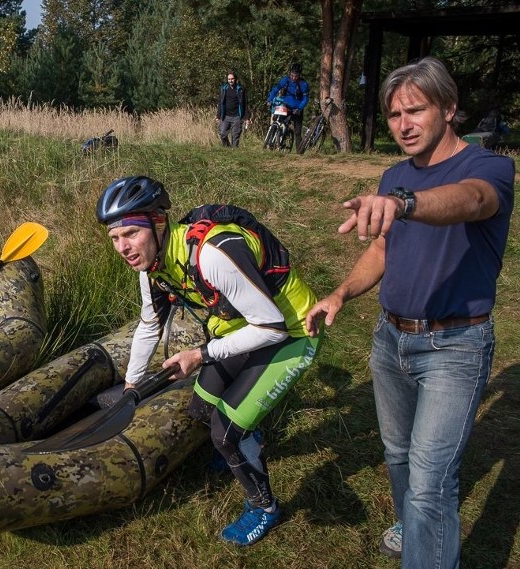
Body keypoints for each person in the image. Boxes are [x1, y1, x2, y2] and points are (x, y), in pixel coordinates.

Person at [305, 57, 514, 568]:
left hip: (455, 346)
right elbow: (381, 250)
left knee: (430, 481)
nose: (403, 125)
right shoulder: (395, 174)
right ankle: (410, 526)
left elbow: (470, 201)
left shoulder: (488, 167)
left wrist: (403, 202)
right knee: (397, 454)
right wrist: (340, 293)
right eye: (394, 114)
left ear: (448, 108)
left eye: (415, 110)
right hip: (390, 339)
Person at [97, 176, 321, 546]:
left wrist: (200, 355)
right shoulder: (151, 266)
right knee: (202, 408)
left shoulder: (212, 254)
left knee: (224, 431)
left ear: (157, 223)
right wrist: (133, 384)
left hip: (291, 331)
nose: (123, 247)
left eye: (130, 234)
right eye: (115, 238)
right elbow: (150, 324)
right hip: (243, 326)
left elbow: (272, 329)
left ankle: (263, 507)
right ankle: (249, 442)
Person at [267, 62, 309, 149]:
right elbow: (275, 89)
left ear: (299, 75)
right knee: (278, 120)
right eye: (292, 75)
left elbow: (305, 99)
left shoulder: (303, 84)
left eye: (296, 76)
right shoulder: (285, 80)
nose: (293, 78)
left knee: (297, 131)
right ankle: (275, 138)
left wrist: (299, 108)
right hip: (286, 105)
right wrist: (270, 100)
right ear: (289, 73)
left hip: (297, 108)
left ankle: (299, 152)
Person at [217, 71, 248, 148]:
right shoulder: (224, 89)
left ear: (235, 79)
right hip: (225, 116)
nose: (231, 80)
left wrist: (246, 117)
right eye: (229, 79)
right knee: (222, 133)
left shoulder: (240, 89)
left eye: (232, 79)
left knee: (235, 137)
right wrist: (218, 115)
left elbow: (245, 104)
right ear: (227, 80)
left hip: (237, 116)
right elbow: (220, 102)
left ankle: (234, 153)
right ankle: (227, 148)